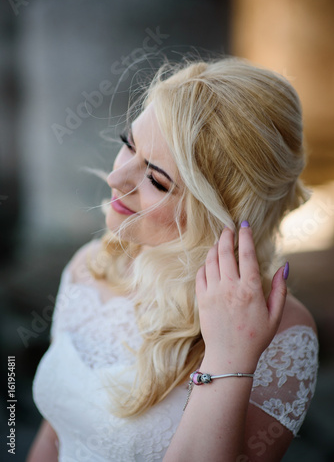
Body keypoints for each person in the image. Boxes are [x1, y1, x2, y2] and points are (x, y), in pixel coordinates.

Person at [27, 57, 319, 462]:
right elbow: (55, 433)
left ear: (221, 211)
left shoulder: (284, 337)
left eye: (156, 179)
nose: (116, 179)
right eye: (127, 144)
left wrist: (229, 357)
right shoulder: (90, 266)